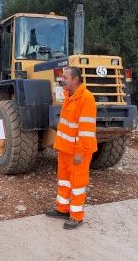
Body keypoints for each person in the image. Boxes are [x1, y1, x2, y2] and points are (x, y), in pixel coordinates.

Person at [45, 66, 97, 229]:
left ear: (75, 79)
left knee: (78, 183)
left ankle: (76, 216)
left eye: (65, 77)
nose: (61, 79)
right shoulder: (69, 95)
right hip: (66, 149)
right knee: (65, 181)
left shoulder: (86, 98)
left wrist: (80, 152)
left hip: (77, 152)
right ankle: (62, 209)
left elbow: (86, 130)